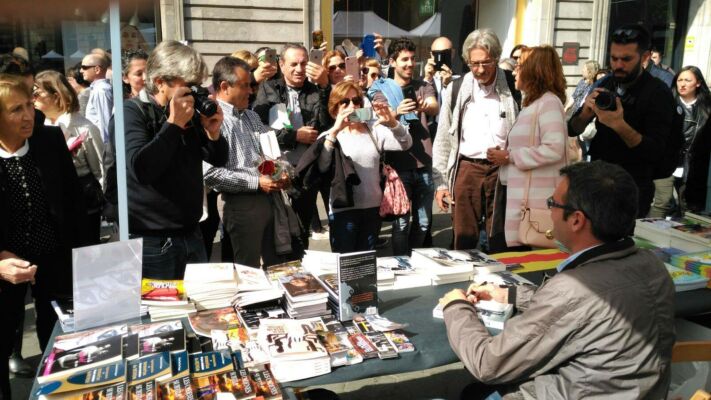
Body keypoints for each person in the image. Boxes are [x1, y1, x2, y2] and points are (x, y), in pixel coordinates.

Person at [440, 160, 675, 399]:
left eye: (552, 203)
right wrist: (510, 294)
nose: (549, 211)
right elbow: (582, 309)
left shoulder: (573, 288)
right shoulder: (652, 264)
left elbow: (487, 364)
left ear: (576, 220)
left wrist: (456, 306)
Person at [0, 74, 84, 400]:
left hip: (55, 260)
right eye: (14, 110)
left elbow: (74, 204)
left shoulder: (49, 140)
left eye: (28, 106)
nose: (27, 115)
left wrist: (83, 261)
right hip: (7, 272)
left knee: (63, 343)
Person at [125, 40, 228, 280]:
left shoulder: (188, 113)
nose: (193, 92)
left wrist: (213, 132)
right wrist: (173, 124)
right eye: (188, 85)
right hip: (154, 241)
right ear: (160, 82)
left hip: (193, 233)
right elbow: (141, 169)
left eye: (196, 84)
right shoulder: (132, 113)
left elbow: (219, 159)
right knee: (163, 314)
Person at [568, 24, 675, 217]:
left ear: (644, 58)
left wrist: (619, 125)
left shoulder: (658, 93)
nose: (618, 65)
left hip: (632, 189)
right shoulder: (605, 83)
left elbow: (655, 151)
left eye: (626, 59)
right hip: (598, 182)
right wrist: (586, 112)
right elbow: (572, 129)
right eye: (614, 58)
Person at [432, 29, 520, 251]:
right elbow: (443, 137)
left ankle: (500, 283)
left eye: (486, 63)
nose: (480, 70)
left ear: (497, 59)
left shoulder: (513, 86)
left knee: (501, 239)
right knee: (463, 237)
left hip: (502, 171)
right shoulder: (457, 88)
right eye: (474, 64)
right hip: (467, 169)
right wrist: (441, 183)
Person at [203, 56, 288, 267]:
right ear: (224, 86)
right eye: (245, 86)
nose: (251, 91)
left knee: (275, 265)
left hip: (268, 200)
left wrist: (278, 173)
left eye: (251, 85)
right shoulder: (212, 119)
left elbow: (266, 158)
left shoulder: (251, 117)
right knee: (247, 271)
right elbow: (210, 174)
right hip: (239, 204)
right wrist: (257, 182)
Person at [486, 46, 569, 247]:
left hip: (534, 207)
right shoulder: (534, 104)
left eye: (520, 66)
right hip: (523, 200)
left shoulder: (548, 102)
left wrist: (509, 156)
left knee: (530, 261)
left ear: (535, 71)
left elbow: (554, 148)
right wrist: (505, 154)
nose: (514, 71)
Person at [252, 43, 330, 253]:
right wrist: (295, 135)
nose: (299, 69)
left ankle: (299, 272)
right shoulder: (268, 88)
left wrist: (324, 87)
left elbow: (324, 125)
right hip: (274, 168)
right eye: (293, 64)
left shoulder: (315, 90)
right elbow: (258, 129)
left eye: (304, 63)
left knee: (301, 229)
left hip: (306, 170)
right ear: (281, 64)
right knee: (277, 226)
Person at [317, 81, 411, 252]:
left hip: (373, 209)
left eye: (356, 101)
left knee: (367, 263)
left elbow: (405, 144)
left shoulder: (373, 130)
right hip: (342, 212)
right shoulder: (329, 136)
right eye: (344, 102)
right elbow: (322, 166)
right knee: (345, 265)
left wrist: (392, 123)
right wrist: (335, 131)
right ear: (334, 108)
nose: (352, 106)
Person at [368, 37, 438, 255]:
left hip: (424, 164)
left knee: (424, 223)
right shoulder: (380, 89)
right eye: (404, 59)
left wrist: (426, 105)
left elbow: (434, 107)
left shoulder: (423, 86)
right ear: (393, 62)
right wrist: (396, 111)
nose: (409, 64)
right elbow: (374, 116)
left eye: (412, 59)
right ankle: (401, 263)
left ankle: (417, 260)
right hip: (398, 166)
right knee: (401, 225)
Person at [34, 70, 105, 245]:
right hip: (51, 205)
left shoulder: (84, 128)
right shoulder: (38, 128)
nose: (33, 98)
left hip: (83, 203)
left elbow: (100, 171)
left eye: (37, 93)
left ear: (56, 95)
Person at [675, 66, 711, 212]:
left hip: (695, 165)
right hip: (670, 161)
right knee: (662, 203)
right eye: (680, 80)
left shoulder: (707, 106)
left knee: (689, 206)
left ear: (698, 83)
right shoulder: (668, 102)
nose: (682, 84)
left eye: (687, 80)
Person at [81, 52, 113, 143]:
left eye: (84, 67)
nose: (81, 71)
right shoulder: (99, 89)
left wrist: (107, 148)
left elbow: (106, 121)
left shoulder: (101, 90)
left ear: (97, 69)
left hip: (103, 146)